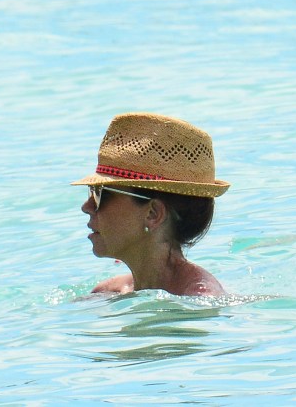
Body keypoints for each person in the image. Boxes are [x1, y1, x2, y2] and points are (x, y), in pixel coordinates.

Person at [72, 112, 231, 296]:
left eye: (100, 193)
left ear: (153, 214)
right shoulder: (106, 293)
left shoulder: (201, 299)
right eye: (91, 190)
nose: (87, 206)